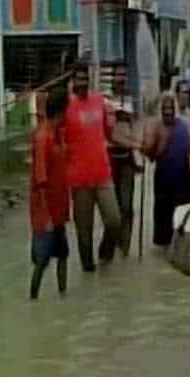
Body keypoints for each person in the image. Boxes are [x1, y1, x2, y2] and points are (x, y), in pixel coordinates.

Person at [66, 62, 122, 272]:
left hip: (102, 173)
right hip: (79, 177)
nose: (82, 83)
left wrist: (134, 142)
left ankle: (105, 253)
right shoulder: (66, 107)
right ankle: (88, 269)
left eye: (85, 79)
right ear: (72, 82)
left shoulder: (99, 102)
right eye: (78, 79)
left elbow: (111, 132)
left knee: (114, 220)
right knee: (84, 230)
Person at [30, 87, 70, 300]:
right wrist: (45, 217)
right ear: (61, 112)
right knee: (42, 262)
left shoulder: (58, 135)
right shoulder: (43, 138)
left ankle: (63, 297)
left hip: (59, 211)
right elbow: (40, 180)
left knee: (63, 255)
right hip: (45, 213)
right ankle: (33, 300)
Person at [144, 93, 190, 246]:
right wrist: (153, 146)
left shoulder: (183, 126)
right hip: (164, 176)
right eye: (165, 109)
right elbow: (152, 157)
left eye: (171, 108)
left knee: (184, 211)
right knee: (163, 214)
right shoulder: (156, 127)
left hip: (182, 175)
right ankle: (164, 242)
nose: (168, 112)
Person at [107, 63, 143, 258]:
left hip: (127, 158)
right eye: (118, 75)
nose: (121, 79)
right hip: (110, 158)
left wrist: (138, 155)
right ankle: (111, 244)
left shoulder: (131, 99)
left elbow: (134, 128)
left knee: (127, 206)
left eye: (124, 75)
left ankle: (125, 246)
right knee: (112, 208)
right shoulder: (105, 100)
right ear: (112, 78)